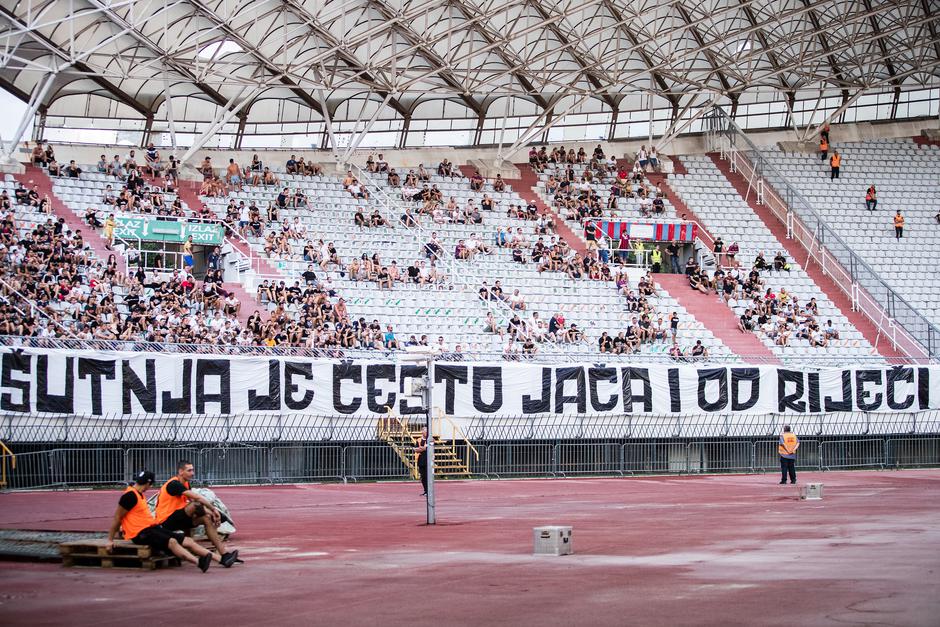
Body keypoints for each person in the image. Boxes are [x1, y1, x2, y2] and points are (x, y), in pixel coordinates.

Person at [107, 471, 233, 572]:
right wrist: (110, 540)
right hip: (141, 533)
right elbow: (117, 517)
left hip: (152, 528)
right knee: (172, 542)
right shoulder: (129, 496)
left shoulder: (139, 495)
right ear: (148, 484)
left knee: (188, 541)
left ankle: (221, 559)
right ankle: (198, 562)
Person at [155, 460, 237, 564]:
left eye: (193, 470)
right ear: (181, 471)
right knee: (196, 506)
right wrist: (213, 510)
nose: (192, 473)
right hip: (166, 521)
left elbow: (193, 501)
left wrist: (209, 514)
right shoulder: (173, 484)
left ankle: (224, 554)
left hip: (178, 517)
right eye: (189, 470)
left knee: (206, 518)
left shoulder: (186, 483)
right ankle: (197, 548)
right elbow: (197, 499)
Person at [415, 426, 430, 496]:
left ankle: (429, 490)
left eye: (427, 431)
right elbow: (416, 450)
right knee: (423, 476)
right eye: (425, 431)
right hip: (421, 460)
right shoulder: (418, 440)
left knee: (428, 476)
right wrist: (423, 448)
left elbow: (428, 448)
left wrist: (422, 448)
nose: (426, 433)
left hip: (428, 460)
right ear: (422, 431)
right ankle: (425, 490)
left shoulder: (430, 439)